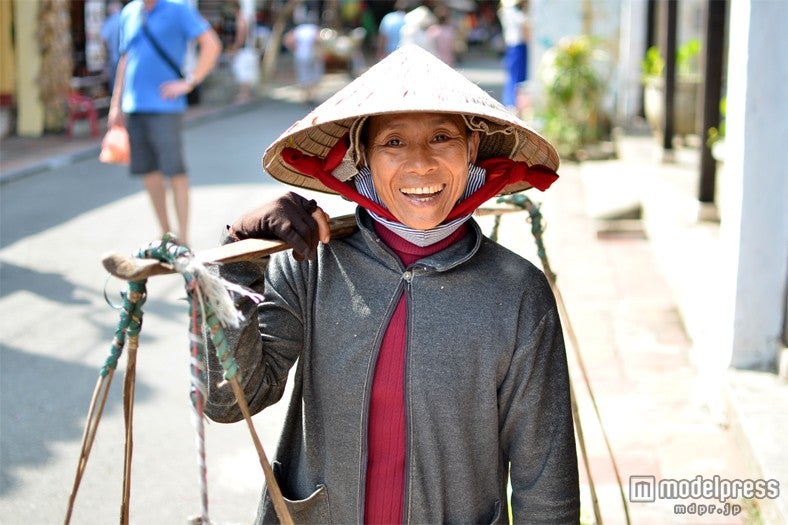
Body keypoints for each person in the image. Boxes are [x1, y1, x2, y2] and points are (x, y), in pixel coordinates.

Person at [204, 44, 579, 523]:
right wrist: (240, 259)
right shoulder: (313, 263)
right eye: (394, 143)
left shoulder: (518, 293)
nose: (420, 165)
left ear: (472, 153)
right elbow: (229, 400)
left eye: (442, 137)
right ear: (362, 158)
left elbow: (545, 488)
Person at [107, 0, 221, 247]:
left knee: (175, 171)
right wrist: (116, 103)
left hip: (165, 108)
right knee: (148, 172)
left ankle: (184, 237)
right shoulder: (130, 12)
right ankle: (166, 233)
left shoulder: (178, 9)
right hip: (134, 106)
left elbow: (211, 44)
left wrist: (190, 82)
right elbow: (125, 60)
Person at [283, 10, 324, 107]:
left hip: (300, 55)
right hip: (312, 55)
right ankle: (312, 96)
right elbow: (319, 40)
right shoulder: (314, 29)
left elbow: (287, 40)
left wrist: (294, 49)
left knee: (303, 75)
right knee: (314, 75)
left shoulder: (297, 30)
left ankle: (304, 96)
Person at [497, 0, 531, 110]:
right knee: (517, 76)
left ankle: (511, 101)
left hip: (513, 46)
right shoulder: (512, 12)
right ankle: (513, 102)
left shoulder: (505, 11)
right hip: (518, 46)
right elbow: (525, 24)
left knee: (513, 75)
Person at [100, 1, 124, 93]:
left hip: (114, 59)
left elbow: (104, 40)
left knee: (115, 87)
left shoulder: (109, 22)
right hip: (127, 59)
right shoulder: (126, 19)